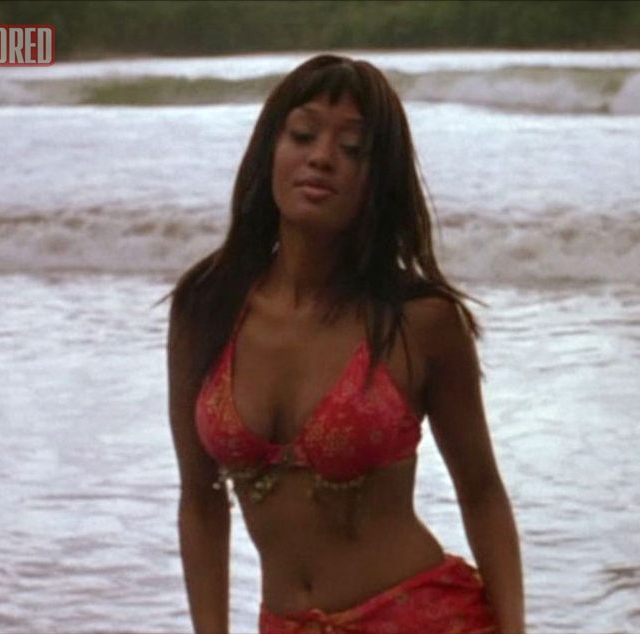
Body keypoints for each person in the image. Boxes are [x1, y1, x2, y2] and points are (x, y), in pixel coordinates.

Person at [167, 54, 524, 633]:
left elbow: (481, 491)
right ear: (269, 150)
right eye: (302, 135)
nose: (322, 157)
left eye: (353, 148)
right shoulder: (206, 306)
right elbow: (200, 501)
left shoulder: (420, 321)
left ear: (378, 179)